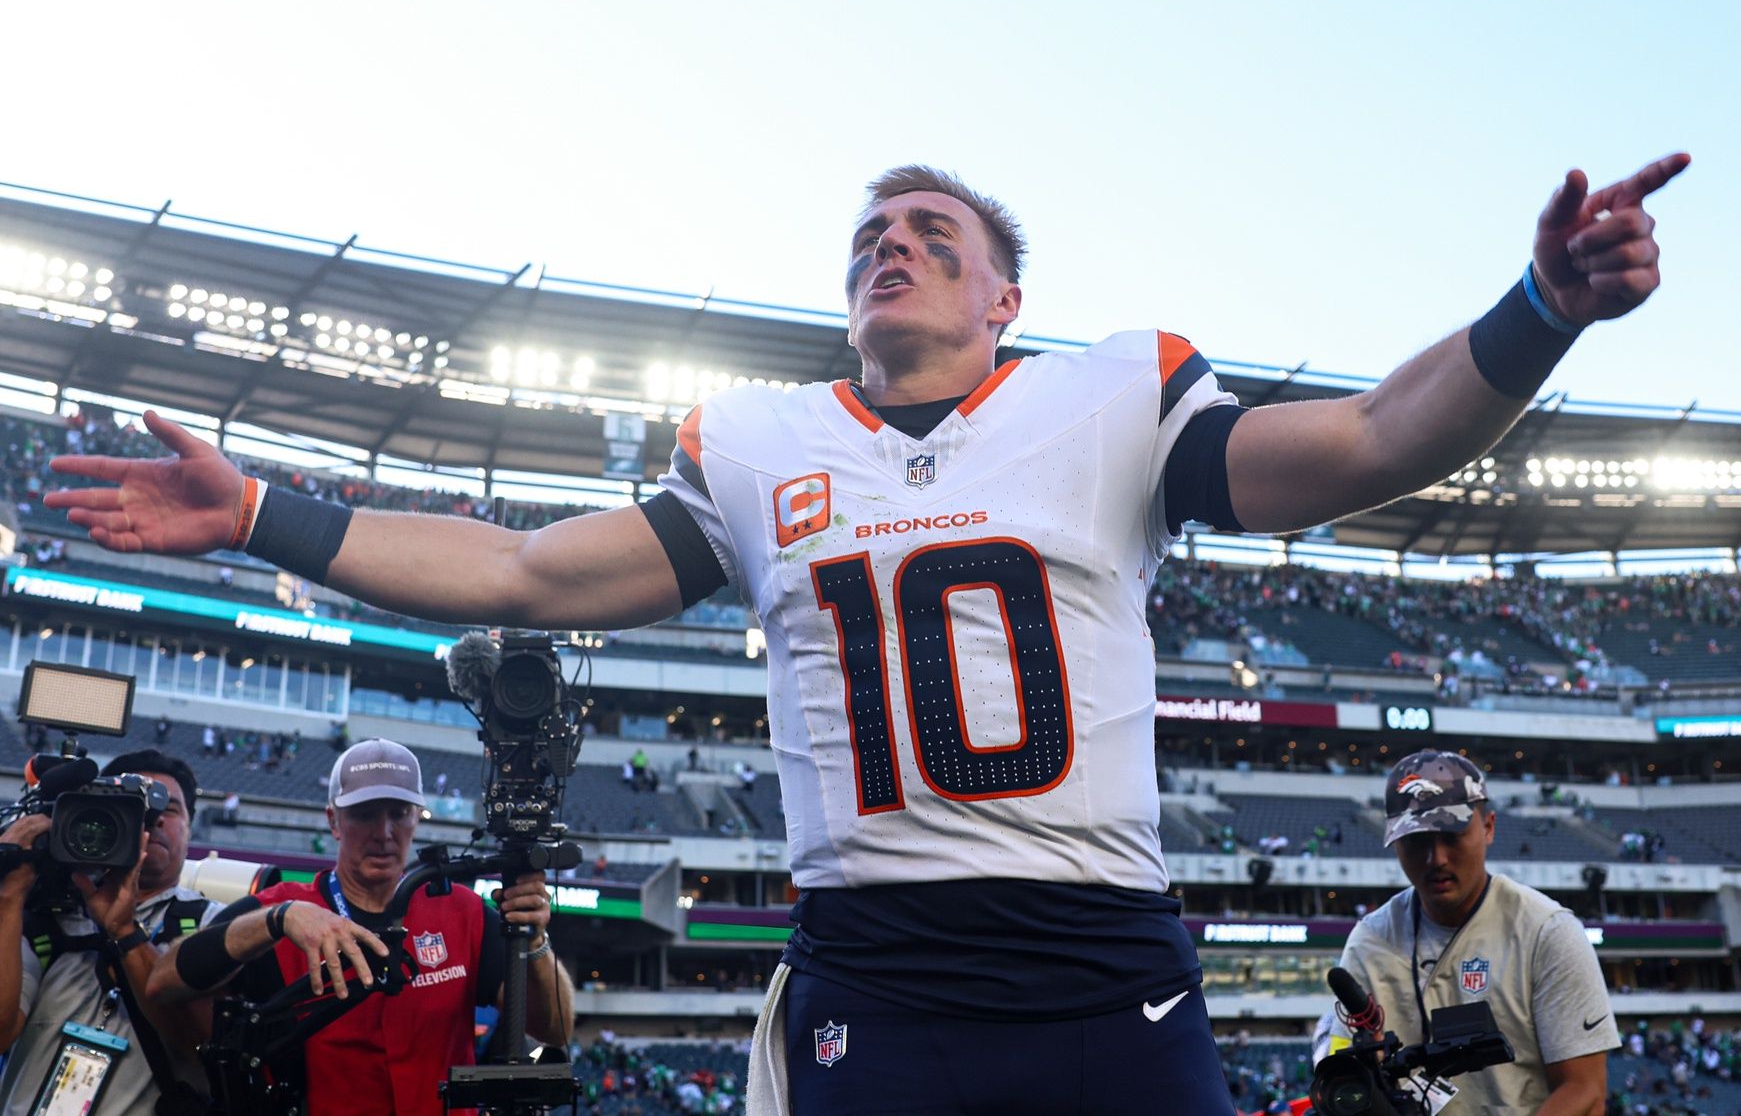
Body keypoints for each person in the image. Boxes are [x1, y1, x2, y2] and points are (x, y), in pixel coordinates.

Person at [48, 154, 1685, 1115]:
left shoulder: (1106, 399)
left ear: (1000, 302)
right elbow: (526, 574)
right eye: (865, 239)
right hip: (875, 986)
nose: (887, 244)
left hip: (1100, 968)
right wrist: (269, 516)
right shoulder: (765, 448)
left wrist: (1536, 312)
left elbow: (1378, 442)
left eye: (931, 234)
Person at [146, 739, 574, 1116]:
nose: (384, 833)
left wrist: (535, 941)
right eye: (365, 814)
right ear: (334, 821)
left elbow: (555, 1029)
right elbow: (162, 983)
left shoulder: (464, 912)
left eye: (398, 813)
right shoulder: (279, 909)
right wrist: (279, 919)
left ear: (417, 819)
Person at [1314, 750, 1619, 1113]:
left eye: (1451, 835)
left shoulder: (1546, 931)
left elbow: (1585, 1092)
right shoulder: (1369, 941)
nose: (1436, 858)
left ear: (1488, 827)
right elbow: (1341, 1077)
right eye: (1417, 841)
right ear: (1395, 844)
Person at [0, 750, 221, 1115]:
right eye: (137, 808)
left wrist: (124, 931)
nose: (154, 822)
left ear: (190, 829)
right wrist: (9, 896)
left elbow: (200, 1046)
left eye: (169, 810)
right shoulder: (44, 916)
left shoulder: (212, 926)